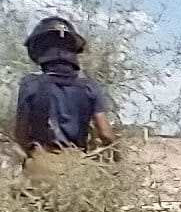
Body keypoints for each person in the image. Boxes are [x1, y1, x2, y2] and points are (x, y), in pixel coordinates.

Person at [13, 16, 115, 167]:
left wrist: (31, 157)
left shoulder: (30, 85)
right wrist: (119, 163)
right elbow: (106, 134)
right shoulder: (90, 87)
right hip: (77, 167)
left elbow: (21, 135)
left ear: (38, 49)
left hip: (41, 164)